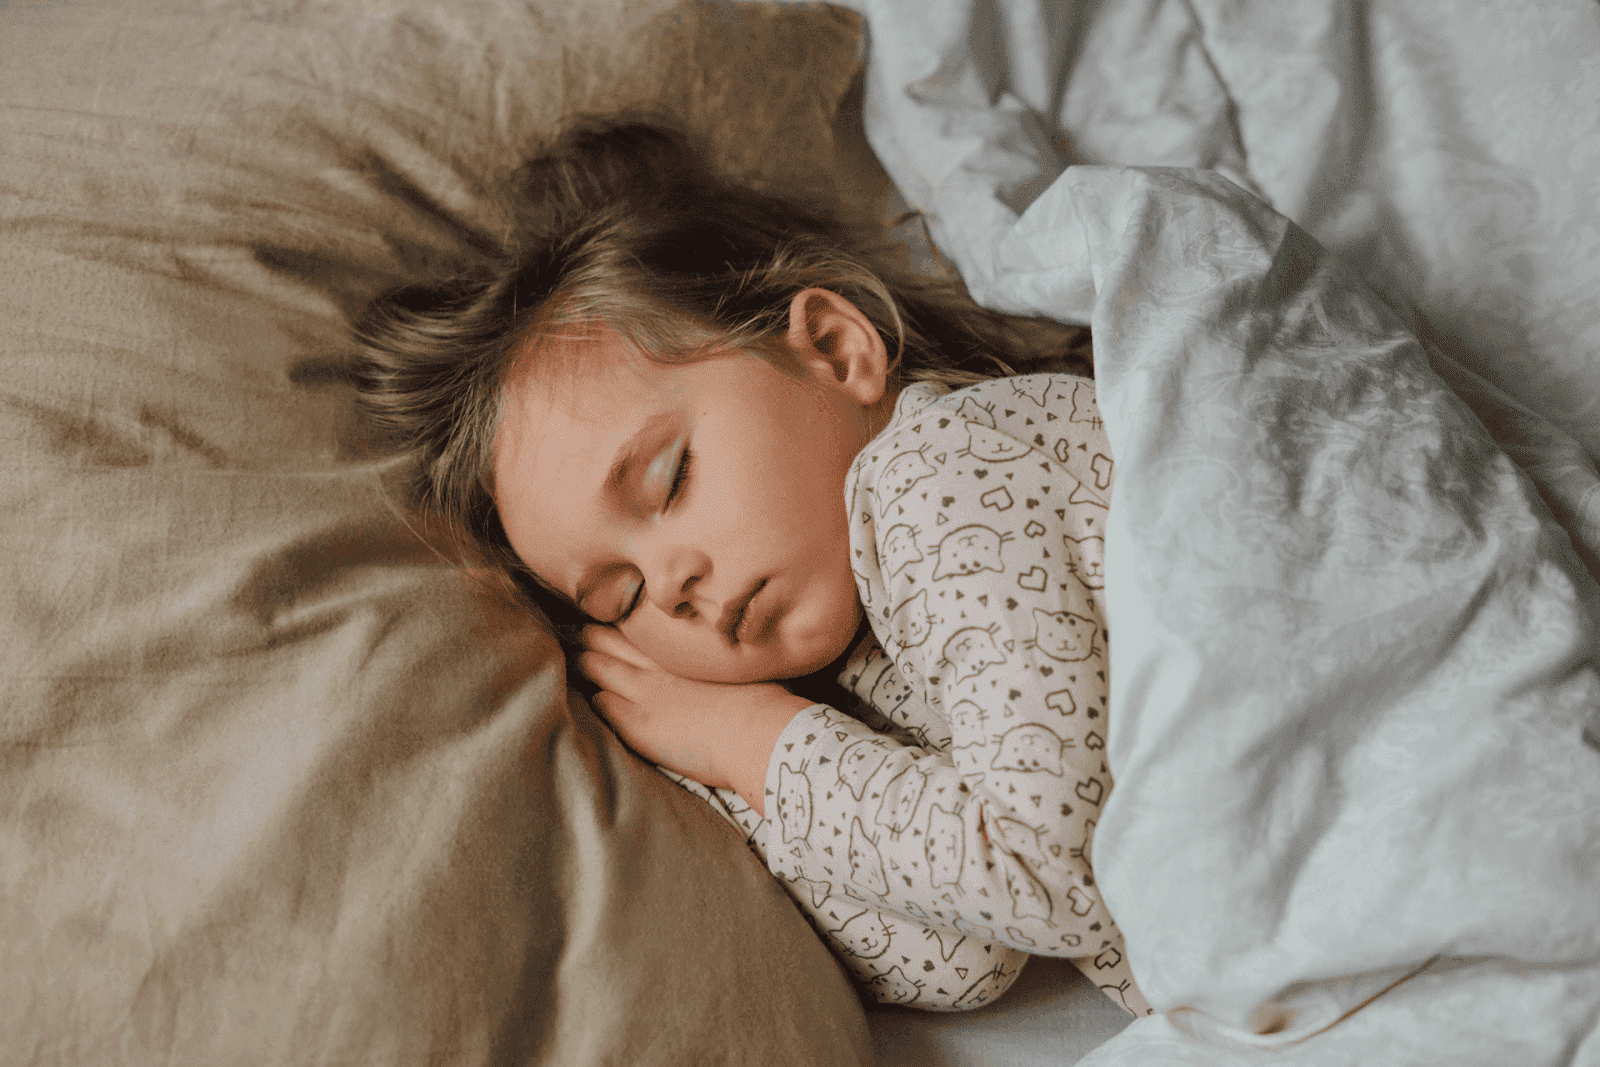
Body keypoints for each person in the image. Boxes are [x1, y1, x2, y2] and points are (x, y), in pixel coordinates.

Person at [347, 117, 1151, 1017]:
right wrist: (715, 764)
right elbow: (957, 957)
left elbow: (1052, 869)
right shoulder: (865, 654)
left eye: (670, 478)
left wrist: (751, 744)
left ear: (836, 350)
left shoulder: (945, 471)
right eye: (622, 596)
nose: (672, 586)